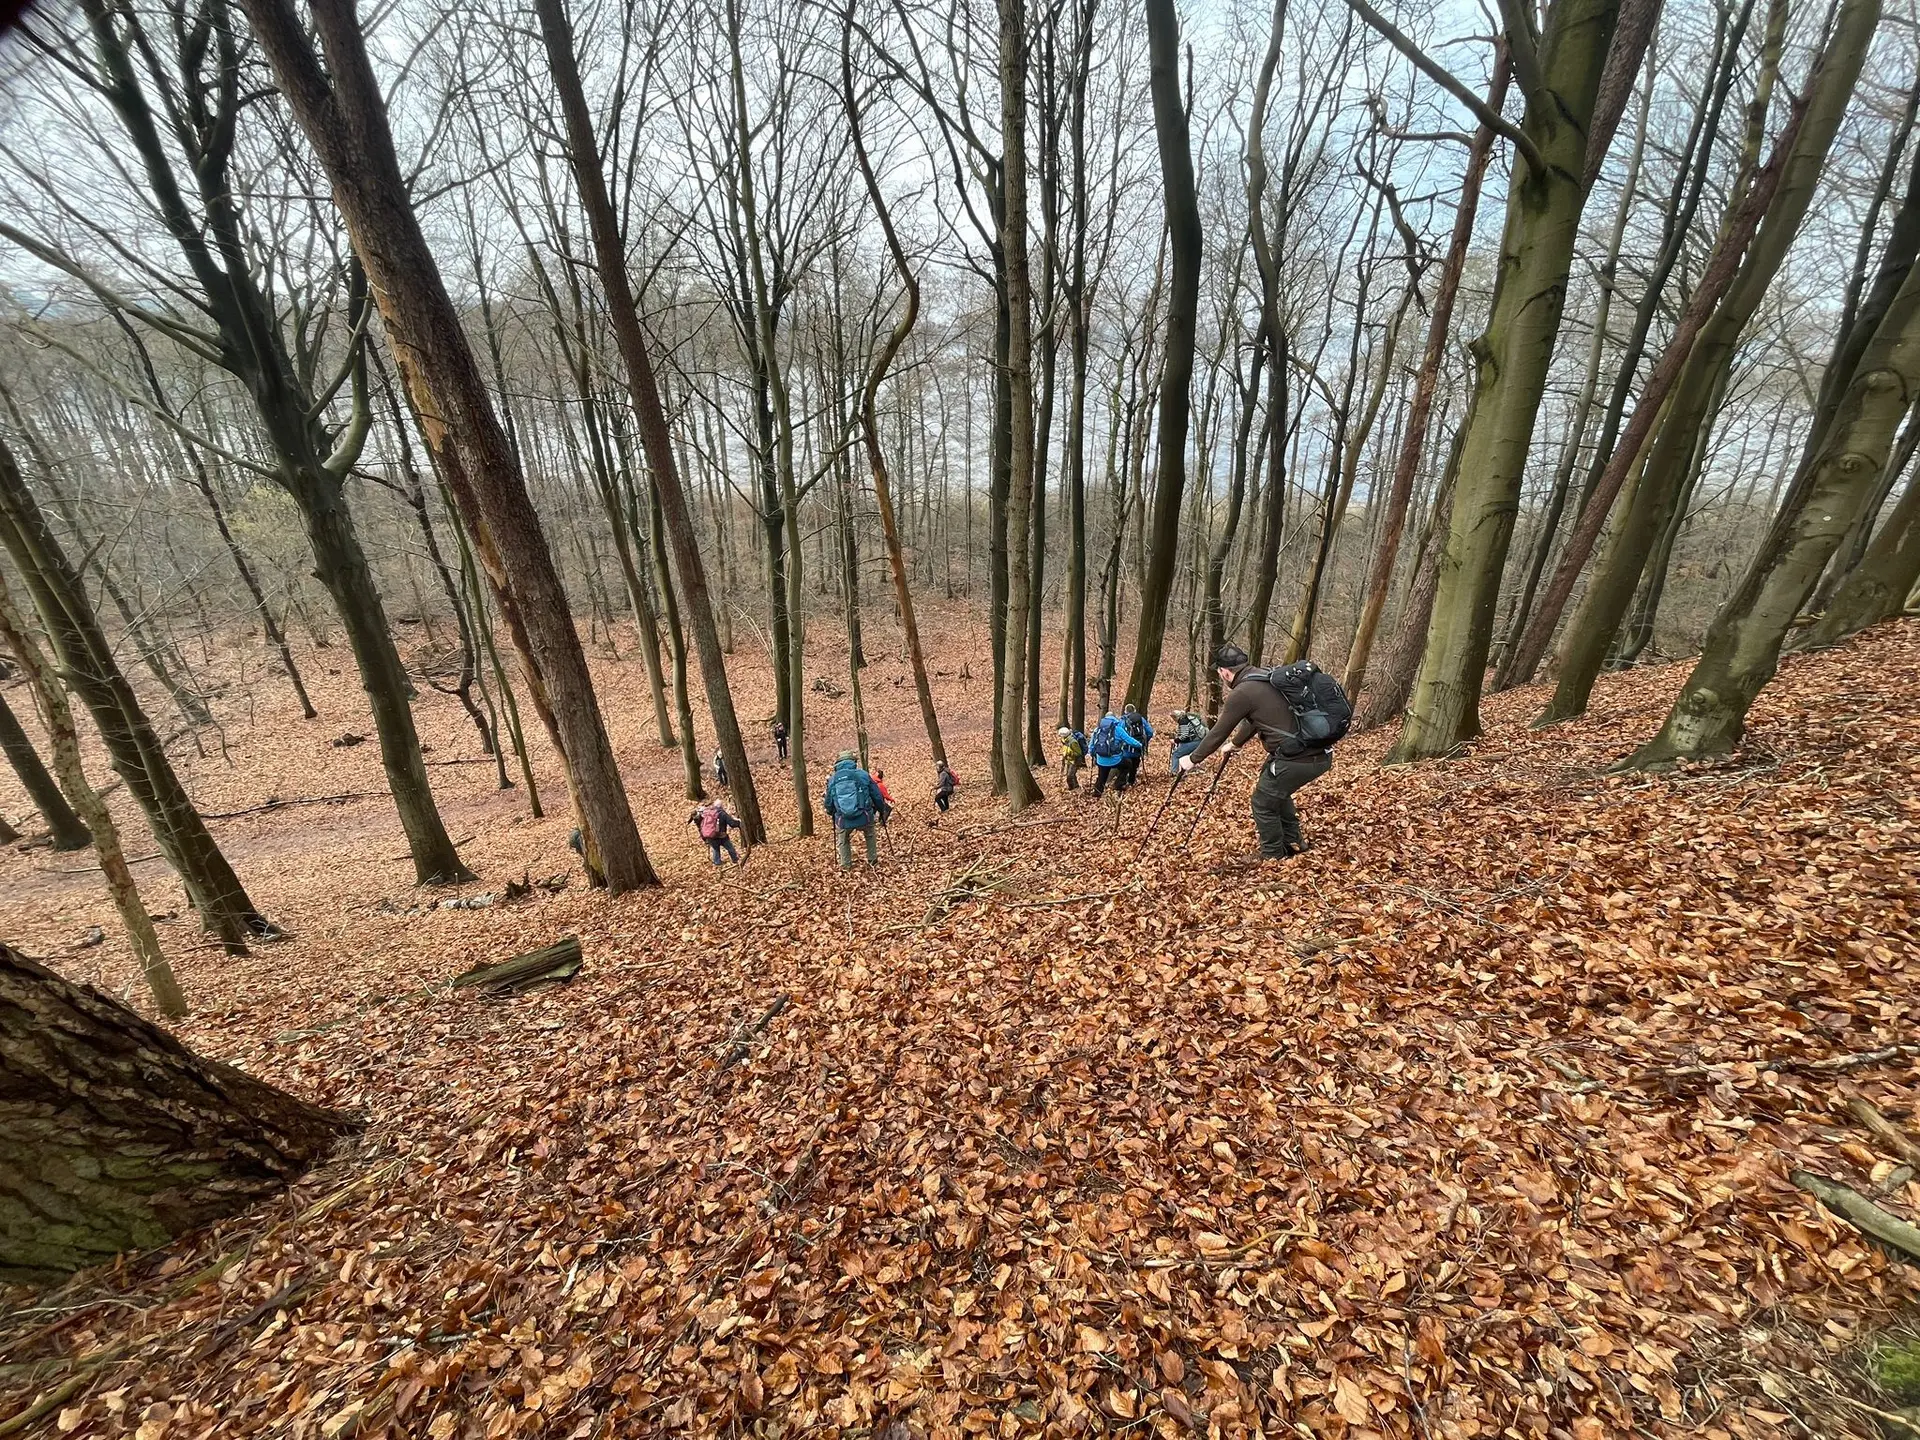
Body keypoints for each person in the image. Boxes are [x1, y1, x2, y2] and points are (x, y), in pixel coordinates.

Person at [1178, 643, 1333, 864]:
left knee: (1263, 801)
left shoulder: (1241, 692)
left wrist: (1192, 759)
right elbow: (1256, 720)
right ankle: (1293, 843)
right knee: (1276, 792)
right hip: (1316, 752)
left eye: (1220, 672)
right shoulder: (1265, 676)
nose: (1221, 676)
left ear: (1225, 672)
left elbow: (1217, 733)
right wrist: (1236, 743)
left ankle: (1272, 856)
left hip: (1298, 758)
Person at [823, 749, 886, 870]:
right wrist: (881, 809)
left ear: (838, 763)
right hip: (864, 816)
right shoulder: (863, 774)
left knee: (843, 839)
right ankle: (872, 860)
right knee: (870, 834)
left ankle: (846, 865)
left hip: (843, 818)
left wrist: (831, 812)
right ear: (853, 762)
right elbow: (877, 795)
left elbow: (828, 802)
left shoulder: (833, 779)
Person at [1087, 711, 1142, 798]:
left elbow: (1092, 744)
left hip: (1101, 759)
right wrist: (1139, 745)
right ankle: (1118, 784)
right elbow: (1129, 740)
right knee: (1128, 764)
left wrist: (1092, 753)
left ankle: (1097, 794)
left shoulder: (1097, 729)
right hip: (1115, 760)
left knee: (1102, 776)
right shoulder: (1118, 729)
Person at [688, 799, 743, 866]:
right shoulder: (723, 814)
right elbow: (732, 824)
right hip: (722, 836)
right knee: (730, 848)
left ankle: (717, 862)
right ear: (721, 806)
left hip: (711, 836)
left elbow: (701, 825)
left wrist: (705, 838)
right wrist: (739, 822)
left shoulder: (707, 813)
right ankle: (735, 859)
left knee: (716, 849)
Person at [1118, 704, 1154, 789]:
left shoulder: (1123, 721)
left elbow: (1119, 734)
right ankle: (1131, 782)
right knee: (1134, 766)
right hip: (1138, 748)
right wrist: (1144, 742)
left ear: (1125, 711)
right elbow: (1150, 732)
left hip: (1126, 749)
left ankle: (1123, 783)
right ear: (1134, 710)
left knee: (1125, 766)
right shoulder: (1141, 719)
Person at [1169, 709, 1205, 773]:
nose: (1173, 720)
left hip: (1194, 742)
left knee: (1176, 754)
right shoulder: (1186, 719)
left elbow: (1184, 736)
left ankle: (1174, 772)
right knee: (1184, 755)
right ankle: (1186, 771)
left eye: (1173, 718)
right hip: (1198, 740)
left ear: (1176, 717)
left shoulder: (1183, 722)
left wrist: (1175, 740)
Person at [1058, 725, 1086, 791]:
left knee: (1070, 776)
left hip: (1075, 761)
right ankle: (1075, 786)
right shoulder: (1065, 740)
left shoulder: (1073, 742)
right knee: (1071, 774)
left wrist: (1070, 753)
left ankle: (1073, 788)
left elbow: (1079, 753)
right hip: (1069, 760)